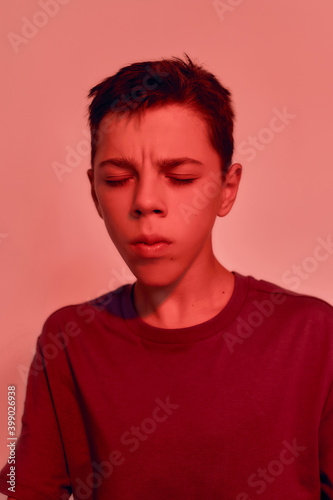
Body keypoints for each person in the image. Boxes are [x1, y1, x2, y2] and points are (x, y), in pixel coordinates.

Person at [1, 55, 332, 500]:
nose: (146, 202)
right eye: (118, 179)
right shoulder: (68, 339)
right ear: (94, 193)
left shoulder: (313, 334)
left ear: (226, 189)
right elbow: (24, 485)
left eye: (179, 177)